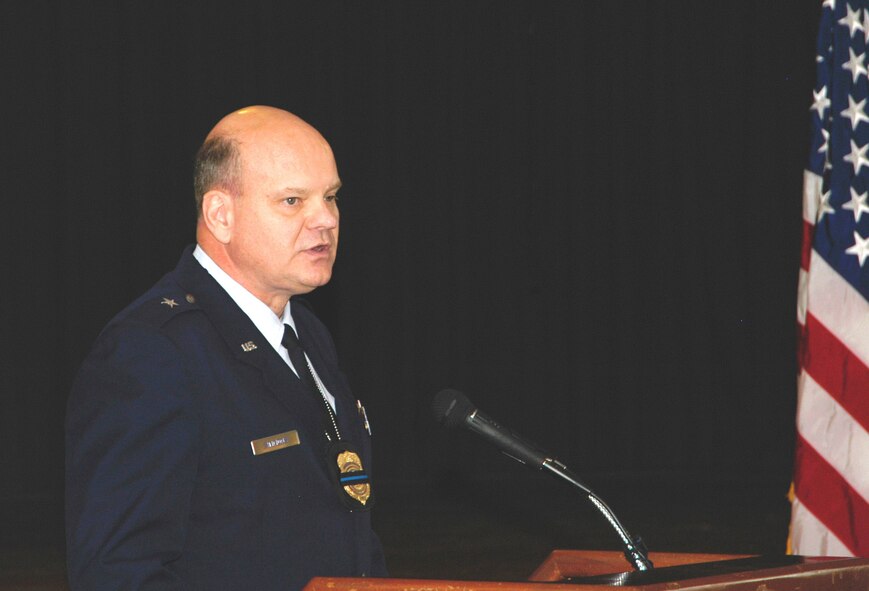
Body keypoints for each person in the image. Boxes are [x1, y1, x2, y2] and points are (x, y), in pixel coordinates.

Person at [65, 106, 386, 590]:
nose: (325, 220)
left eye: (331, 197)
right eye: (293, 200)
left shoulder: (307, 334)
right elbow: (118, 573)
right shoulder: (152, 352)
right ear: (221, 215)